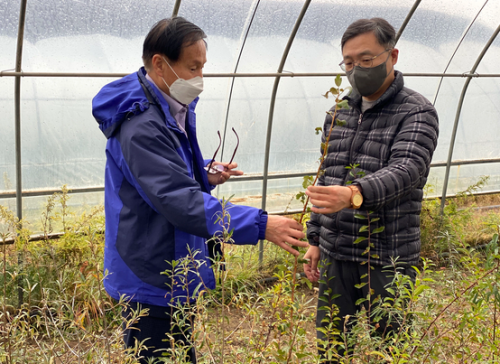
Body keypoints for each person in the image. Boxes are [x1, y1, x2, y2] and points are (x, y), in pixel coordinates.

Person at [92, 17, 307, 363]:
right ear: (160, 64)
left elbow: (166, 174)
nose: (199, 79)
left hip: (172, 262)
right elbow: (177, 200)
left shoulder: (167, 107)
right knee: (163, 353)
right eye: (192, 68)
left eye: (202, 67)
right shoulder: (141, 124)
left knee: (179, 351)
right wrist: (262, 225)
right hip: (152, 272)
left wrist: (202, 172)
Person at [302, 18, 439, 361]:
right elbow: (326, 177)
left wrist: (353, 193)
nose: (356, 69)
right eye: (349, 62)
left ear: (392, 55)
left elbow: (407, 170)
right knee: (332, 348)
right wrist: (315, 239)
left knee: (390, 350)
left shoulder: (416, 111)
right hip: (337, 253)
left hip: (387, 256)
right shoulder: (338, 113)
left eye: (366, 60)